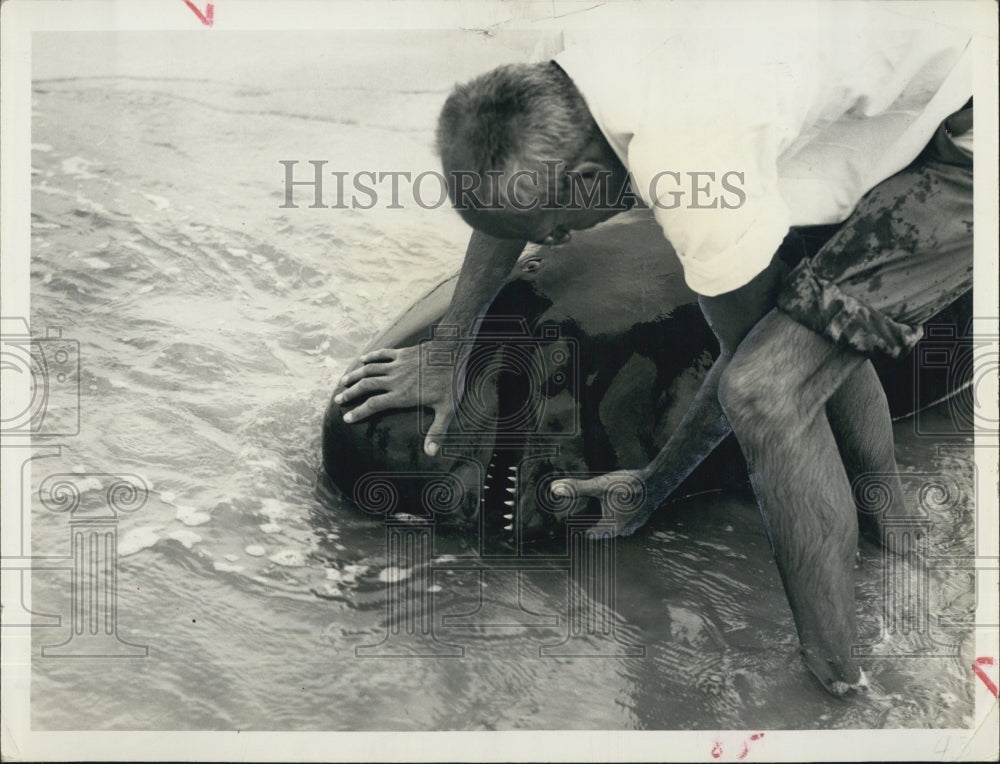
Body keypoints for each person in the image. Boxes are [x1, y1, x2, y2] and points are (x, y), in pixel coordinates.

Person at [335, 5, 974, 694]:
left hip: (969, 138)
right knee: (803, 339)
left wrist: (651, 487)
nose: (552, 243)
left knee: (771, 391)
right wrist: (450, 349)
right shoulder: (561, 63)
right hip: (893, 88)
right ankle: (895, 524)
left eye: (553, 229)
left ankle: (839, 686)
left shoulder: (690, 160)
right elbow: (506, 202)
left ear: (582, 183)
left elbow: (754, 376)